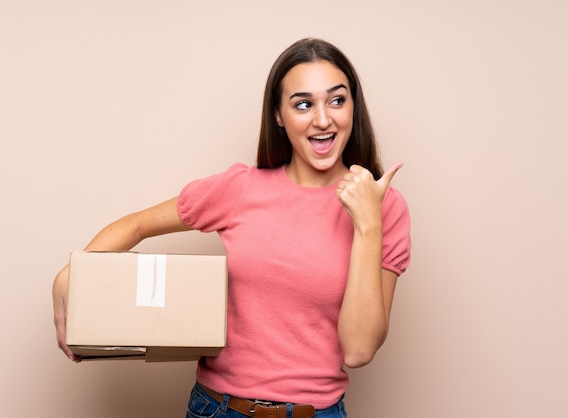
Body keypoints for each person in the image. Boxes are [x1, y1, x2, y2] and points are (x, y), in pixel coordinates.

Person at [52, 37, 411, 418]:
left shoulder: (385, 206)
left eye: (337, 100)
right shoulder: (241, 188)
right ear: (278, 115)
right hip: (217, 408)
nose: (323, 119)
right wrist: (70, 275)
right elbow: (136, 225)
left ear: (353, 106)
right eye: (303, 104)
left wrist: (368, 224)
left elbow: (358, 350)